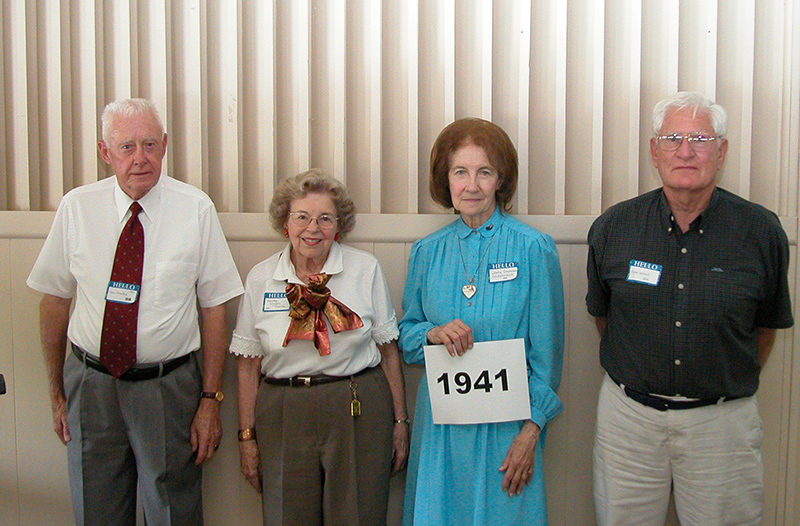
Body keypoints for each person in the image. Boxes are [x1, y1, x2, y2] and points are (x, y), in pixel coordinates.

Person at [27, 98, 244, 525]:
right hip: (90, 386)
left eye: (149, 144)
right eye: (126, 147)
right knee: (96, 506)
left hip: (168, 388)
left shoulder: (195, 208)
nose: (140, 158)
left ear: (164, 146)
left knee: (173, 511)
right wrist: (57, 392)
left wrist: (209, 402)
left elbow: (214, 310)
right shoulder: (77, 208)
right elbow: (54, 300)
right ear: (105, 153)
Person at [586, 91, 794, 526]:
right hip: (629, 424)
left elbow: (766, 326)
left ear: (721, 151)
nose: (685, 151)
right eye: (673, 137)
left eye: (700, 138)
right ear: (653, 151)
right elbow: (605, 316)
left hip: (721, 426)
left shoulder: (760, 231)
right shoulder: (614, 227)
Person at [399, 118, 565, 525]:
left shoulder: (533, 248)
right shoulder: (426, 252)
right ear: (446, 179)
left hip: (507, 430)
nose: (471, 185)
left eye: (484, 172)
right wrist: (433, 334)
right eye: (460, 172)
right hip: (442, 430)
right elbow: (404, 337)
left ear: (500, 181)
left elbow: (547, 353)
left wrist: (532, 431)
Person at [230, 169, 409, 526]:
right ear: (285, 223)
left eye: (325, 218)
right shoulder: (262, 278)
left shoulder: (364, 269)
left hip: (356, 405)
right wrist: (246, 436)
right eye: (302, 217)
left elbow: (389, 352)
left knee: (358, 514)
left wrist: (401, 422)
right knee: (286, 515)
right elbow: (248, 365)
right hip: (282, 410)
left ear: (338, 227)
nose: (313, 228)